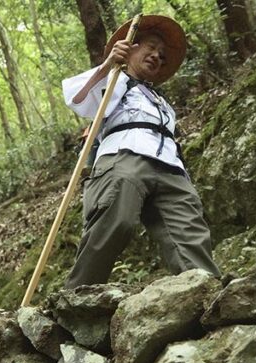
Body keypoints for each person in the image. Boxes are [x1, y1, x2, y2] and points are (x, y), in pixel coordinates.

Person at [61, 15, 221, 289]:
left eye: (162, 54)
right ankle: (76, 296)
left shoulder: (162, 102)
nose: (157, 55)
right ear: (131, 47)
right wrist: (109, 65)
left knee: (189, 229)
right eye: (151, 47)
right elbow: (77, 97)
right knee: (115, 221)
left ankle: (206, 293)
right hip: (125, 155)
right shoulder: (114, 81)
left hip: (170, 167)